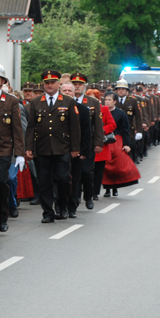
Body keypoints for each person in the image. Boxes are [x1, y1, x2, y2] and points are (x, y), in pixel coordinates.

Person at [25, 70, 80, 223]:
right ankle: (47, 212)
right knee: (44, 182)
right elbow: (31, 127)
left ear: (58, 84)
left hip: (63, 148)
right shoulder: (36, 102)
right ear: (44, 85)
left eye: (53, 82)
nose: (50, 85)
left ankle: (62, 206)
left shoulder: (68, 101)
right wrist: (29, 147)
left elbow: (75, 127)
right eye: (47, 83)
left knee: (63, 179)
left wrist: (75, 148)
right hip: (42, 149)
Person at [0, 63, 24, 234]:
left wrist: (20, 153)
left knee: (1, 182)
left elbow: (17, 128)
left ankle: (3, 216)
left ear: (3, 81)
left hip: (5, 150)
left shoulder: (11, 101)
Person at [70, 73, 104, 210]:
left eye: (80, 84)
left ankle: (89, 196)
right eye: (75, 84)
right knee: (74, 173)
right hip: (72, 144)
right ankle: (75, 197)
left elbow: (97, 124)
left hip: (87, 143)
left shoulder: (92, 102)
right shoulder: (67, 101)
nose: (77, 87)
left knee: (86, 172)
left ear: (84, 86)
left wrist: (98, 142)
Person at [60, 82, 92, 218]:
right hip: (59, 150)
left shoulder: (83, 110)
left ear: (74, 93)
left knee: (74, 180)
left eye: (69, 90)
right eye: (64, 90)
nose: (67, 92)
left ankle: (72, 207)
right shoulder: (54, 108)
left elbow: (86, 132)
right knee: (59, 180)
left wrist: (84, 151)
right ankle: (60, 206)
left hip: (75, 151)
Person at [102, 92, 141, 196]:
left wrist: (126, 144)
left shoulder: (120, 113)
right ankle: (107, 188)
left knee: (117, 163)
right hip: (105, 140)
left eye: (109, 100)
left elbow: (125, 129)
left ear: (115, 102)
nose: (107, 102)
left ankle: (115, 188)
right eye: (106, 100)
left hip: (117, 140)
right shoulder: (101, 112)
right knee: (105, 164)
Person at [87, 88, 116, 200]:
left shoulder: (103, 109)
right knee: (87, 170)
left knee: (98, 171)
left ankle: (95, 192)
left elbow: (112, 124)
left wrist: (100, 130)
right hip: (87, 142)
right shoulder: (85, 108)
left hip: (100, 144)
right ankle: (87, 190)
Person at [115, 80, 144, 164]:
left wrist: (139, 131)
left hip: (129, 131)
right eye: (119, 89)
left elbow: (138, 116)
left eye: (123, 89)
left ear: (127, 90)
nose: (120, 90)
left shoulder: (132, 100)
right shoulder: (114, 100)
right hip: (116, 131)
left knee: (130, 152)